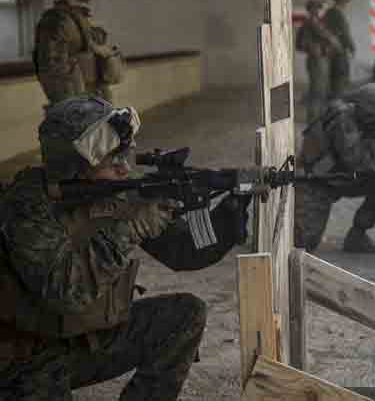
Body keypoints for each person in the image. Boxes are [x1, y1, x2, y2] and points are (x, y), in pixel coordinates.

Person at [0, 96, 250, 401]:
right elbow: (65, 291)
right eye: (112, 160)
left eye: (125, 157)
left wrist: (226, 216)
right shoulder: (25, 207)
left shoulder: (114, 192)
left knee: (184, 315)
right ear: (74, 166)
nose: (124, 169)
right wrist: (130, 229)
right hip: (25, 361)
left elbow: (183, 252)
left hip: (85, 342)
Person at [294, 83, 375, 253]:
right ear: (366, 104)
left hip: (339, 176)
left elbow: (367, 142)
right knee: (303, 244)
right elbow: (356, 159)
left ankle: (357, 237)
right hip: (315, 183)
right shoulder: (342, 117)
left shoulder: (358, 117)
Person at [34, 0, 125, 105]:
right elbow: (53, 73)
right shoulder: (55, 22)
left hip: (98, 105)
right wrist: (77, 110)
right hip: (77, 113)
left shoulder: (84, 19)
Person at [296, 0, 341, 122]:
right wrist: (317, 47)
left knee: (321, 89)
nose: (319, 11)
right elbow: (302, 44)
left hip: (321, 59)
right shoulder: (312, 23)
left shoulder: (314, 23)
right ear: (312, 10)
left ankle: (317, 117)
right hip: (317, 60)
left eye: (319, 8)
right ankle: (314, 119)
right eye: (317, 8)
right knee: (317, 90)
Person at [323, 0, 356, 98]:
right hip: (339, 53)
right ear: (342, 1)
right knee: (340, 82)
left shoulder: (328, 13)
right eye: (346, 1)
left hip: (330, 53)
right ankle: (336, 105)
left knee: (333, 82)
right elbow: (345, 34)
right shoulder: (338, 14)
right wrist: (352, 48)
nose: (346, 4)